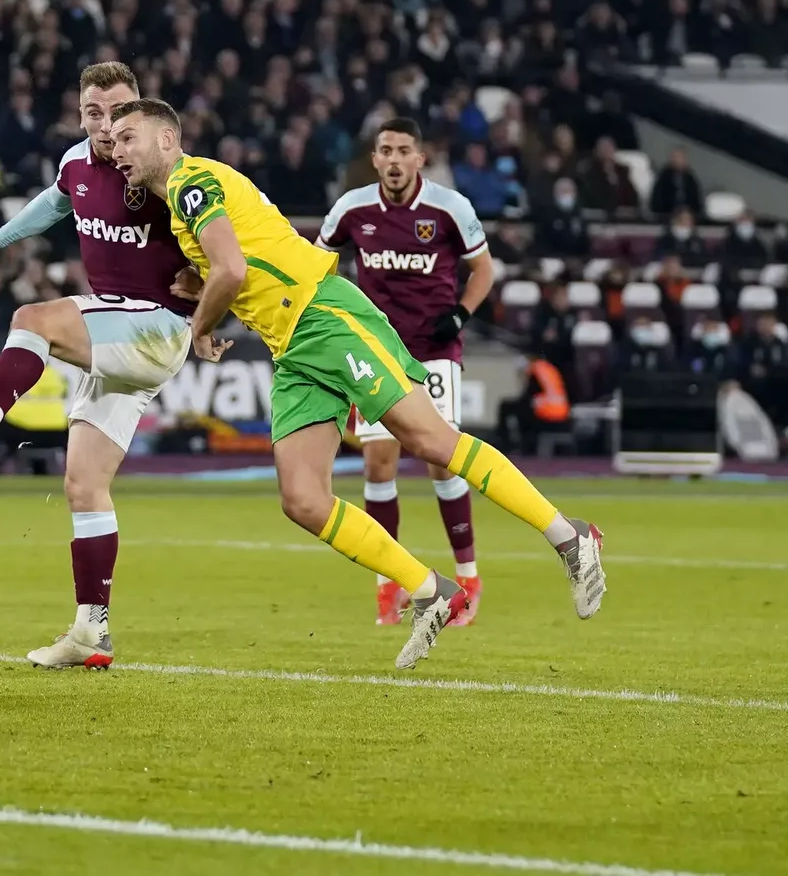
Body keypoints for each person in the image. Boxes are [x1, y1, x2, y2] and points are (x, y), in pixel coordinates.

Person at [109, 99, 605, 670]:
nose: (117, 150)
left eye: (128, 138)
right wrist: (203, 282)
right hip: (292, 348)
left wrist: (201, 327)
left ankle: (571, 537)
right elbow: (240, 262)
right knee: (303, 500)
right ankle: (429, 590)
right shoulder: (184, 202)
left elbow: (234, 270)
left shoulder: (192, 182)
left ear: (167, 139)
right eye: (114, 141)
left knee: (431, 442)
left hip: (325, 316)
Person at [0, 62, 194, 670]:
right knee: (84, 486)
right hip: (116, 334)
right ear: (81, 113)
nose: (108, 126)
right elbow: (55, 203)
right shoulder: (77, 164)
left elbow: (225, 243)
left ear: (139, 111)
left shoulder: (166, 170)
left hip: (154, 326)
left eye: (120, 113)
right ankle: (93, 632)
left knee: (33, 318)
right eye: (94, 113)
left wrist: (218, 315)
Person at [316, 118, 498, 627]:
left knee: (442, 460)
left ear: (421, 159)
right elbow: (319, 265)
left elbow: (484, 269)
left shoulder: (449, 208)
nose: (394, 160)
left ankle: (468, 576)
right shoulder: (352, 209)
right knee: (379, 464)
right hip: (377, 352)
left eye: (403, 151)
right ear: (374, 159)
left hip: (434, 350)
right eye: (385, 151)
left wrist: (460, 314)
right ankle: (388, 585)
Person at [649, 148, 705, 219]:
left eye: (681, 158)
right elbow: (657, 199)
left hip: (688, 215)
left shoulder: (690, 178)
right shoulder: (663, 177)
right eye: (676, 158)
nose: (678, 161)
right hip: (667, 214)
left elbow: (696, 199)